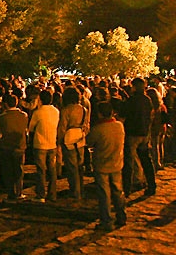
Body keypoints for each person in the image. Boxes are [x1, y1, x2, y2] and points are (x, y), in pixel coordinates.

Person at [87, 101, 127, 231]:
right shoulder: (119, 126)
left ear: (99, 114)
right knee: (118, 190)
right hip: (117, 163)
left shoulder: (98, 129)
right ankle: (121, 216)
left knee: (104, 194)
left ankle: (107, 221)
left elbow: (89, 142)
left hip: (102, 164)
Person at [122, 78, 156, 197]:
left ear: (135, 87)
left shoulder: (132, 100)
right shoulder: (147, 100)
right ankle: (152, 185)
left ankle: (126, 188)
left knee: (129, 162)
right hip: (144, 133)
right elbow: (151, 115)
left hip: (133, 133)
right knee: (146, 160)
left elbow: (125, 114)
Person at [0, 94, 29, 202]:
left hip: (6, 146)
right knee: (19, 170)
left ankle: (11, 193)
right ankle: (19, 192)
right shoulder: (24, 115)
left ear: (6, 104)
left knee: (8, 170)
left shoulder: (2, 117)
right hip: (19, 146)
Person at [58, 86, 89, 202]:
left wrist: (59, 140)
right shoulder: (83, 109)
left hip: (69, 137)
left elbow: (62, 127)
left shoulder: (66, 110)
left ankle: (74, 191)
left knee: (72, 167)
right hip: (80, 137)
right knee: (80, 166)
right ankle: (81, 189)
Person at [28, 89, 59, 202]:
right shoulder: (56, 111)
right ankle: (52, 194)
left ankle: (41, 194)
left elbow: (31, 128)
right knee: (52, 170)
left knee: (41, 170)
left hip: (40, 144)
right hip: (52, 143)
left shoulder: (38, 112)